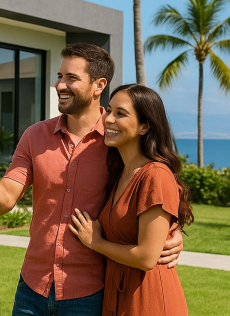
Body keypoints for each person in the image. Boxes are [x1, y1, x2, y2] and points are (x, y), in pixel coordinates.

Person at [0, 43, 183, 316]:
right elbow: (3, 202)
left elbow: (154, 185)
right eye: (60, 76)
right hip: (32, 288)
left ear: (99, 85)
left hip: (91, 293)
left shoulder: (119, 140)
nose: (61, 85)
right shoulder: (35, 136)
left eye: (71, 78)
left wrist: (171, 233)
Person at [69, 84, 192, 316]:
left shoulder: (155, 174)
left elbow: (147, 257)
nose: (108, 120)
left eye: (121, 113)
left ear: (145, 126)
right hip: (118, 295)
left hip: (148, 299)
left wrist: (96, 242)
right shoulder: (121, 172)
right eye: (109, 111)